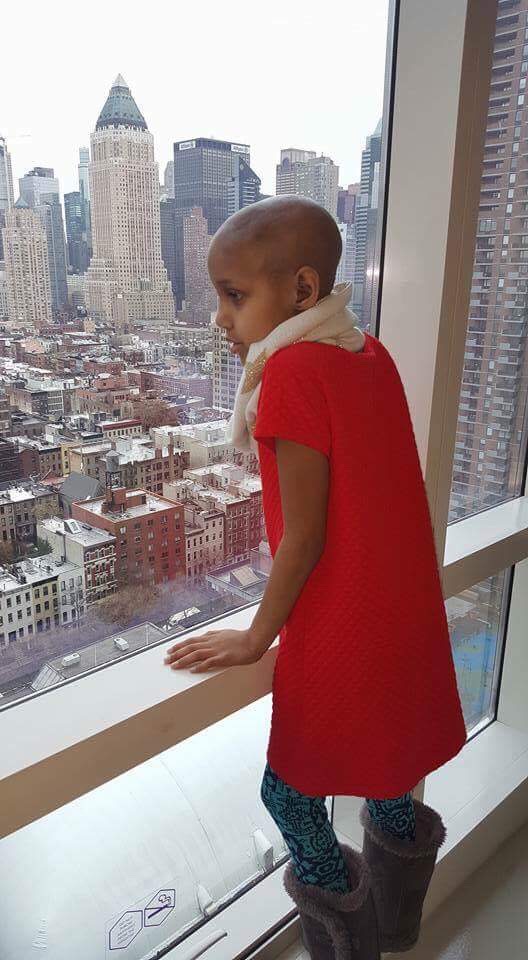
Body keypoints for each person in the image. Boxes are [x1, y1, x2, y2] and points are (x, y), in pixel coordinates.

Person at [163, 195, 467, 959]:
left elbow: (303, 537)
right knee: (389, 774)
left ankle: (347, 941)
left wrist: (254, 639)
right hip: (398, 613)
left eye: (234, 296)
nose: (220, 319)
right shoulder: (367, 353)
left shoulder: (293, 372)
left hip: (342, 626)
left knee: (289, 793)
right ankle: (396, 929)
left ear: (302, 289)